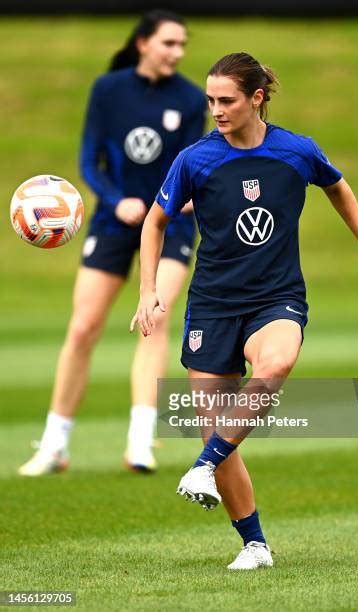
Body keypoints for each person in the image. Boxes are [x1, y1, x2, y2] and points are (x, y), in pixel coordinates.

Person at [131, 52, 358, 570]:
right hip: (212, 305)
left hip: (276, 298)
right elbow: (154, 221)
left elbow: (337, 186)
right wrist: (148, 291)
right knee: (220, 429)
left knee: (275, 365)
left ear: (257, 98)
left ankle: (202, 466)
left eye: (226, 100)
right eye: (210, 100)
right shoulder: (195, 159)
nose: (216, 109)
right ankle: (254, 545)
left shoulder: (296, 151)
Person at [18, 10, 207, 477]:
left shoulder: (188, 97)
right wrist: (116, 199)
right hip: (114, 221)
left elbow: (189, 164)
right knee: (83, 327)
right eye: (169, 43)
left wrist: (169, 204)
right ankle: (54, 445)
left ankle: (140, 443)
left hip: (169, 224)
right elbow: (89, 159)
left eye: (182, 45)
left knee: (154, 321)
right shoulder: (108, 89)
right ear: (143, 43)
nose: (177, 52)